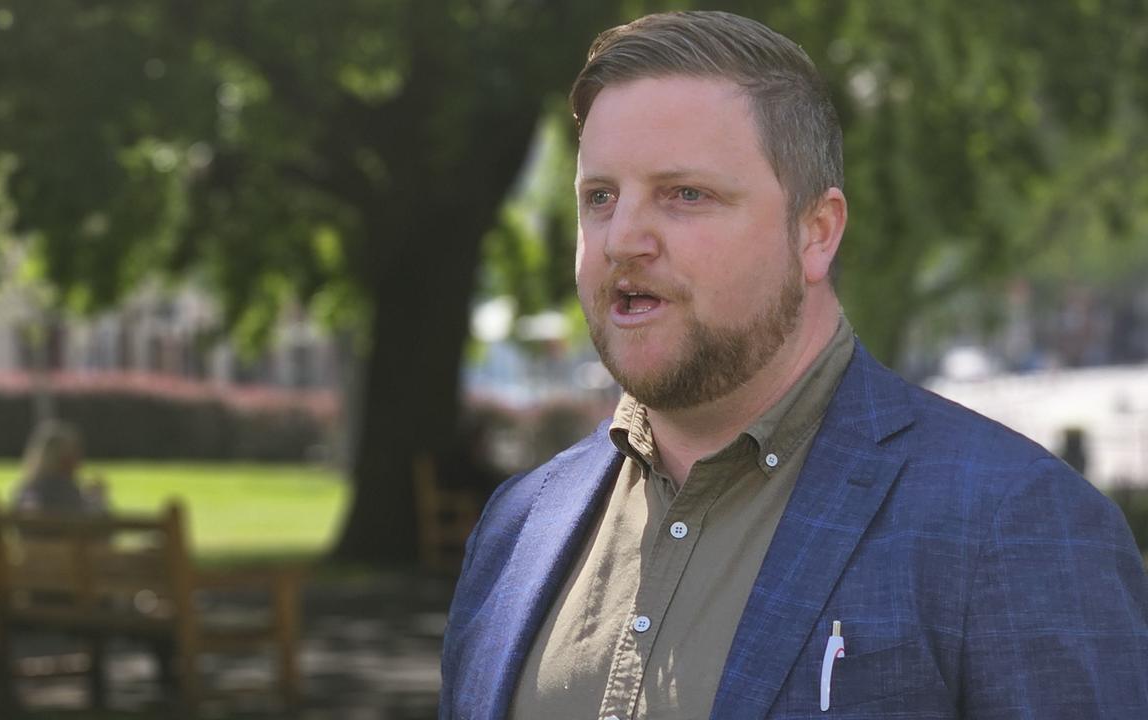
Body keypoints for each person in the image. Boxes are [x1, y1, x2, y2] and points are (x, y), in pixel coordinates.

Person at [440, 11, 1148, 720]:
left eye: (686, 194)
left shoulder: (1014, 526)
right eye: (600, 197)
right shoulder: (519, 528)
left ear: (817, 233)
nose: (623, 237)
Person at [12, 419, 108, 515]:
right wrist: (97, 499)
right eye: (75, 455)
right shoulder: (67, 492)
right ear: (64, 459)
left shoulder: (25, 492)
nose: (79, 463)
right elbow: (98, 523)